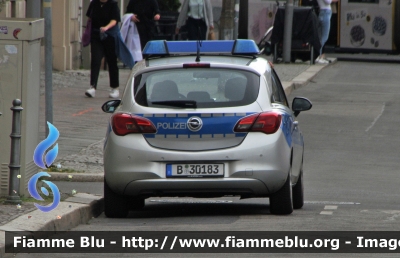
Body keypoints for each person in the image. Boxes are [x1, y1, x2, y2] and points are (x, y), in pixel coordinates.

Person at [85, 0, 123, 98]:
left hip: (109, 36)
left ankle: (115, 88)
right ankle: (92, 87)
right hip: (96, 36)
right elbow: (90, 18)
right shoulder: (94, 3)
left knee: (112, 61)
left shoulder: (113, 4)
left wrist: (106, 27)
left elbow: (114, 20)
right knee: (95, 60)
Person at [316, 0, 339, 64]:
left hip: (322, 12)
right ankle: (319, 56)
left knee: (320, 36)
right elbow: (328, 1)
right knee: (324, 37)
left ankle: (319, 55)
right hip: (325, 12)